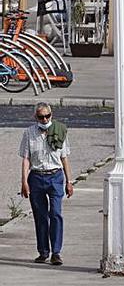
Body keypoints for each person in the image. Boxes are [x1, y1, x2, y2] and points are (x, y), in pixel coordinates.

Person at [19, 103, 72, 266]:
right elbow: (26, 159)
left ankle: (56, 252)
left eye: (47, 116)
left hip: (55, 176)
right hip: (36, 177)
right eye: (41, 117)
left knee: (55, 213)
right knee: (40, 216)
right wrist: (24, 181)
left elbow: (64, 158)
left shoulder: (59, 130)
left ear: (51, 115)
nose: (45, 119)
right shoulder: (29, 133)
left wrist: (69, 181)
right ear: (36, 117)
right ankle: (43, 251)